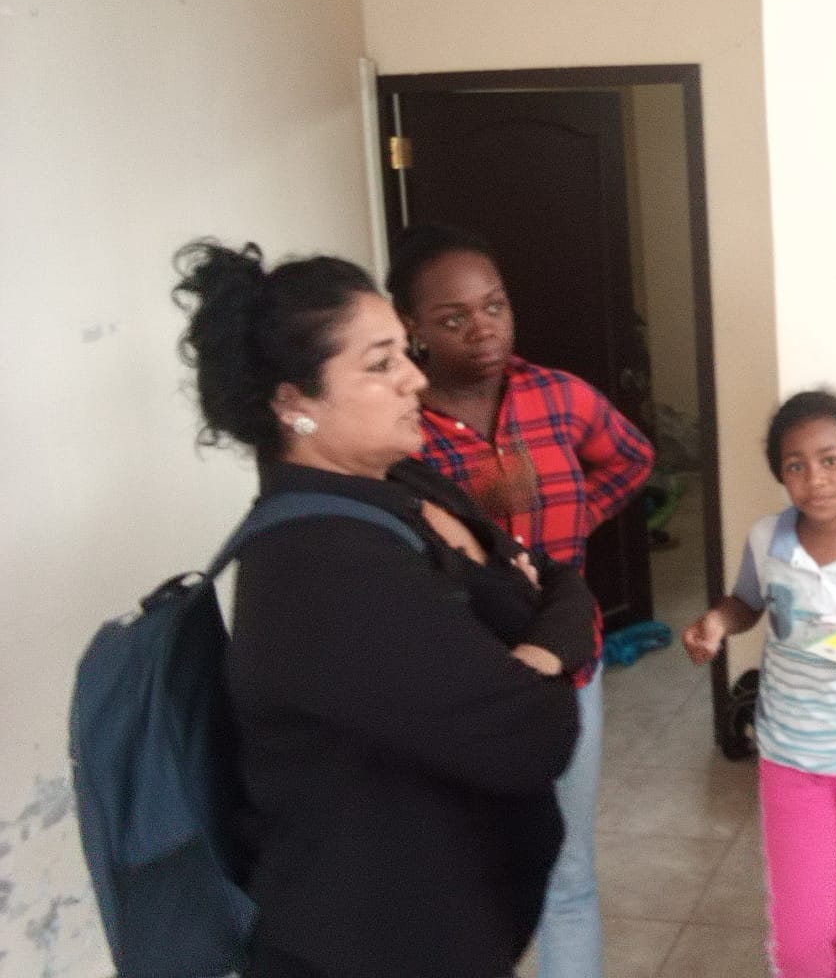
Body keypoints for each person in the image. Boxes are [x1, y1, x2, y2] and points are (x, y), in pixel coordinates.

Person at [172, 240, 594, 978]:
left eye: (404, 351)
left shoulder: (402, 483)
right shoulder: (322, 566)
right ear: (293, 402)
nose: (415, 378)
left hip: (449, 919)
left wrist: (533, 655)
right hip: (369, 943)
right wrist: (542, 650)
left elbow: (562, 584)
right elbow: (532, 735)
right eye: (380, 364)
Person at [385, 223, 655, 978]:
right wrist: (482, 512)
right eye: (454, 318)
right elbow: (393, 549)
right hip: (462, 684)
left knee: (567, 869)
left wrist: (575, 515)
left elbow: (632, 458)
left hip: (570, 667)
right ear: (412, 326)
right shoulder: (403, 430)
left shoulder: (558, 396)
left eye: (494, 307)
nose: (483, 330)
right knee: (468, 871)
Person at [682, 390, 836, 978]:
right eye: (796, 465)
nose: (815, 479)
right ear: (782, 476)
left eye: (830, 460)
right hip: (790, 758)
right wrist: (718, 623)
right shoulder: (769, 540)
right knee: (801, 939)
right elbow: (746, 602)